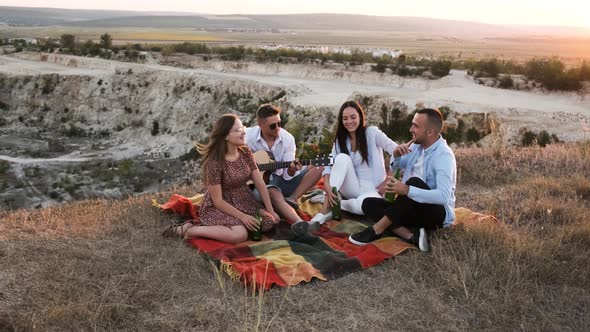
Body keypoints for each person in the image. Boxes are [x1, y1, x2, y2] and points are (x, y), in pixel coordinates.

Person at [348, 108, 457, 252]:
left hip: (436, 214)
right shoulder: (416, 146)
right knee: (368, 203)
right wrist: (397, 155)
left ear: (430, 132)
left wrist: (407, 190)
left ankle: (377, 229)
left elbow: (443, 196)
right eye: (412, 124)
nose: (411, 129)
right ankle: (411, 236)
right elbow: (399, 165)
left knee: (413, 182)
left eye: (416, 126)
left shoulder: (443, 156)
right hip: (410, 205)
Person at [163, 114, 280, 243]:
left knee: (269, 222)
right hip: (221, 204)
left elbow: (259, 182)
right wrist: (243, 217)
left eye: (243, 128)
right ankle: (189, 230)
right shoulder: (215, 162)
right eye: (238, 130)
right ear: (225, 136)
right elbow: (217, 201)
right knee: (239, 235)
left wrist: (271, 210)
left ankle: (238, 226)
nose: (243, 133)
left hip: (244, 199)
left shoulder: (246, 152)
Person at [310, 100, 397, 225]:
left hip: (373, 189)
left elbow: (397, 152)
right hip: (351, 187)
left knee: (362, 207)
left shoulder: (372, 133)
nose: (349, 121)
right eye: (345, 118)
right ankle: (325, 209)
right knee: (341, 158)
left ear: (360, 117)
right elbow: (329, 164)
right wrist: (327, 186)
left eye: (353, 117)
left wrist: (388, 179)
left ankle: (337, 203)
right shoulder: (340, 140)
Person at [245, 104, 323, 235]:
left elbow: (288, 176)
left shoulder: (287, 139)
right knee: (273, 192)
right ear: (260, 124)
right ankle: (300, 223)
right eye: (273, 126)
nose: (278, 128)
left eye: (280, 123)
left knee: (320, 165)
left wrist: (292, 170)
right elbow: (230, 147)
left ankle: (292, 198)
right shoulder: (248, 136)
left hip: (283, 179)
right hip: (259, 187)